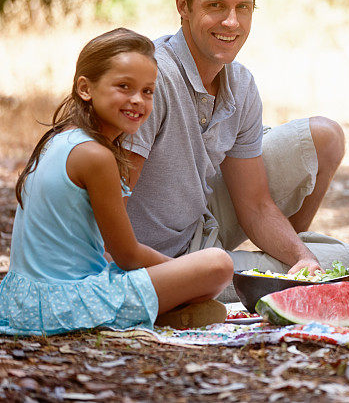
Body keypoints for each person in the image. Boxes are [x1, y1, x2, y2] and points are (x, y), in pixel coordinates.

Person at [124, 0, 349, 300]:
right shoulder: (153, 78)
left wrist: (303, 260)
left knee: (343, 261)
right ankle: (227, 274)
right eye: (216, 5)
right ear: (183, 5)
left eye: (243, 7)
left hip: (200, 230)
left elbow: (255, 205)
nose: (232, 21)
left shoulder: (241, 83)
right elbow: (112, 196)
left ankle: (277, 259)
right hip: (145, 262)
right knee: (339, 264)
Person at [0, 29, 233, 335]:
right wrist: (183, 275)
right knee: (217, 264)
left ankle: (168, 310)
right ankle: (170, 308)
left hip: (24, 301)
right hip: (64, 304)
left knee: (195, 269)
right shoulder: (95, 156)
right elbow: (127, 255)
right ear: (86, 88)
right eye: (124, 87)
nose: (138, 101)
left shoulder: (61, 139)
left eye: (148, 91)